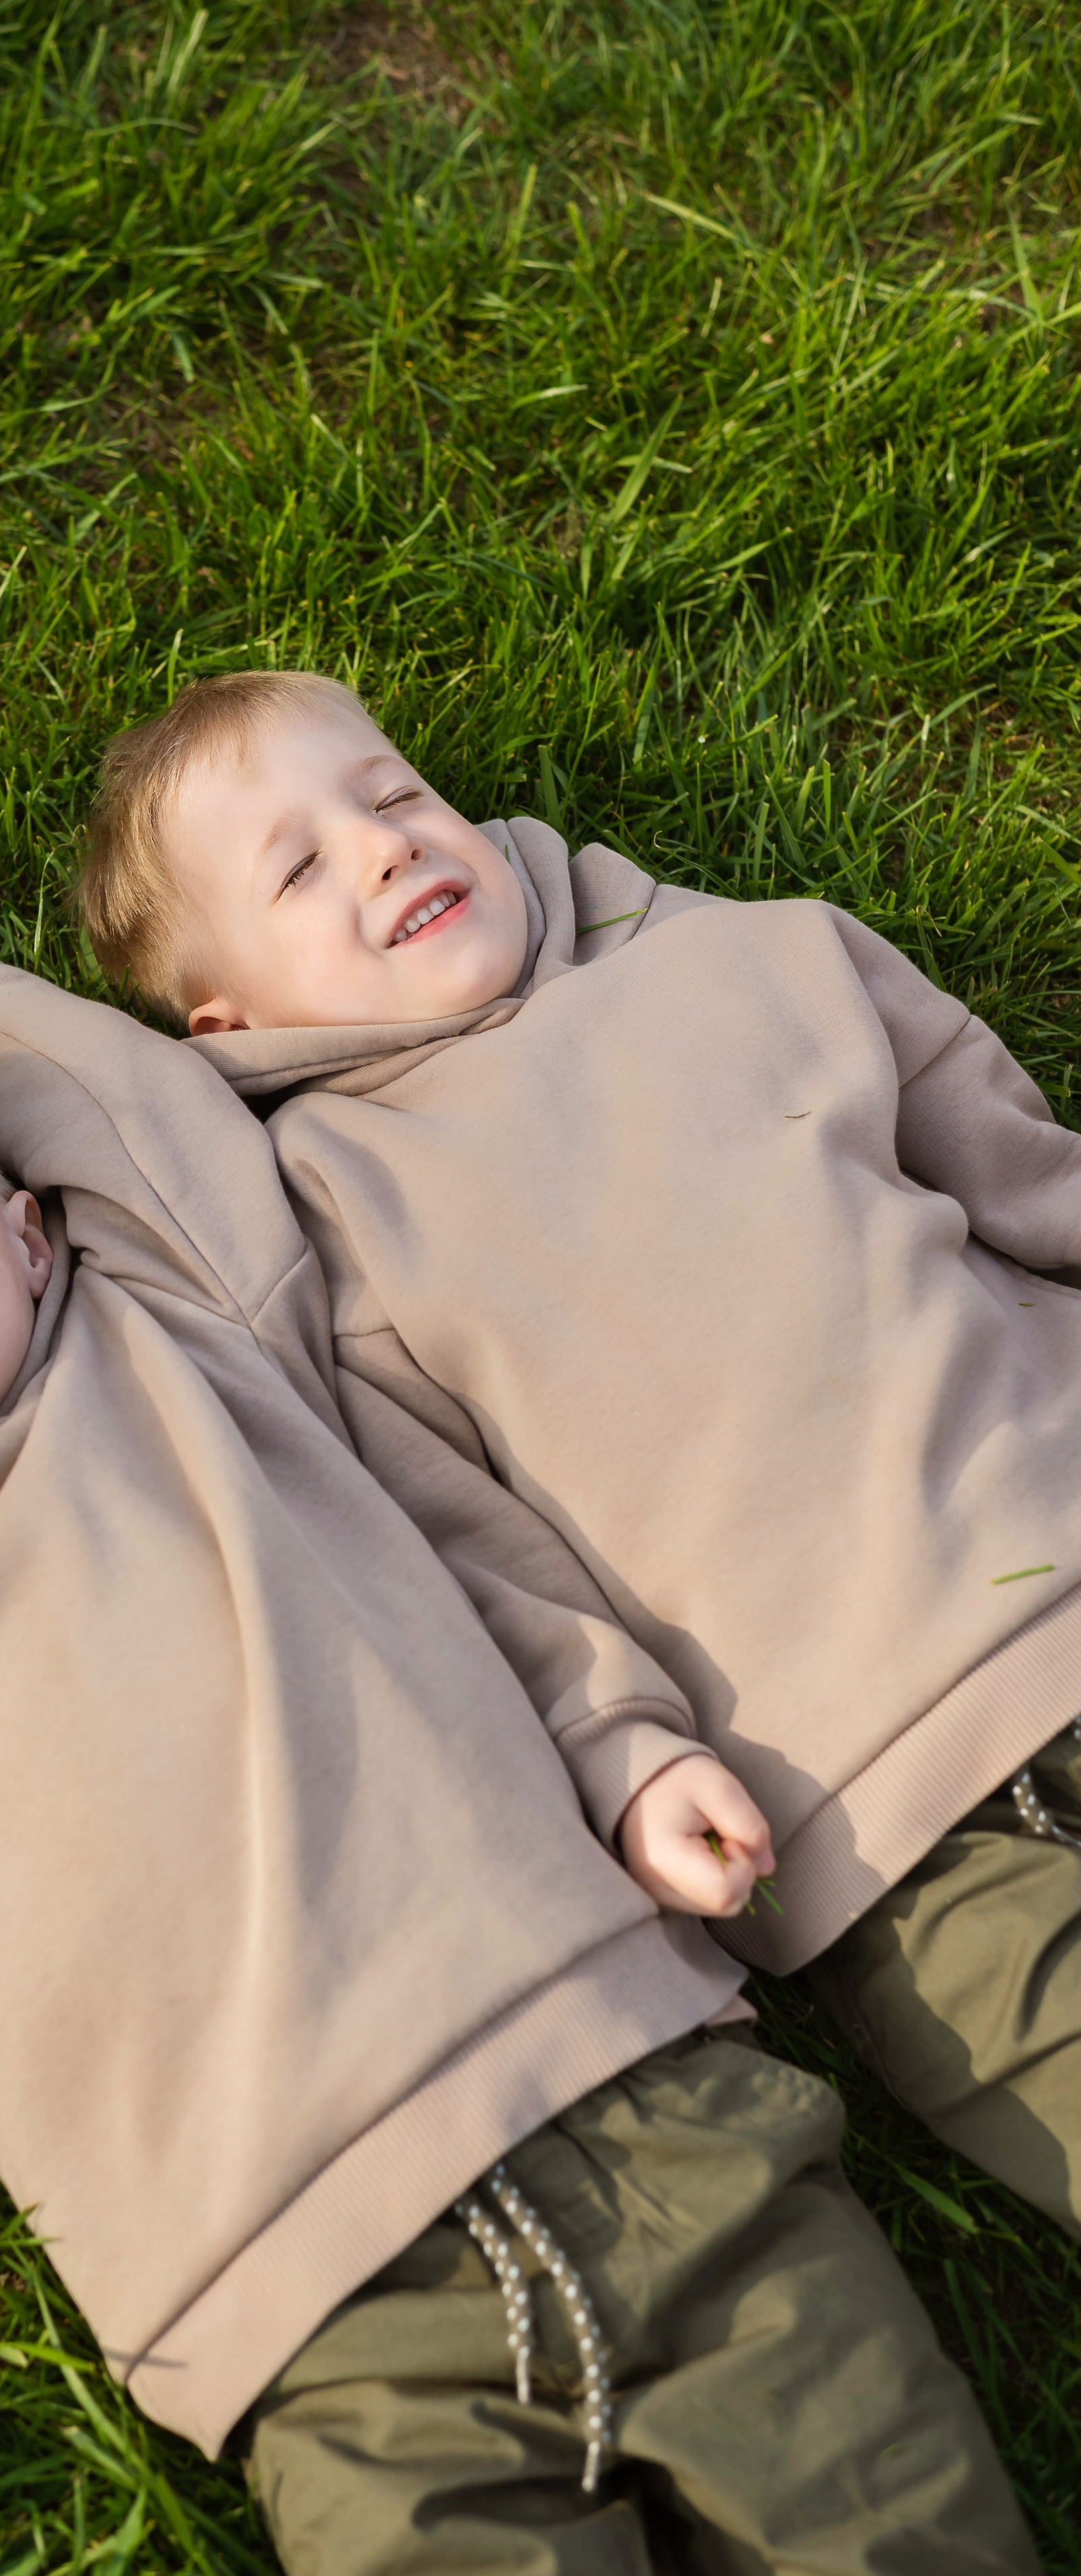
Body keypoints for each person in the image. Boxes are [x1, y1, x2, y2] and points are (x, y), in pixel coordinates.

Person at [0, 965, 1039, 2573]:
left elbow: (128, 1108)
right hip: (309, 2312)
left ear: (29, 1232)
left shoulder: (186, 1338)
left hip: (648, 2106)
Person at [70, 664, 1081, 2252]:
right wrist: (622, 1750)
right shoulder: (332, 1224)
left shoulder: (758, 958)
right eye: (298, 867)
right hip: (896, 1816)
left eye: (392, 794)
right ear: (229, 1022)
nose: (382, 847)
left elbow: (1024, 1176)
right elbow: (468, 1551)